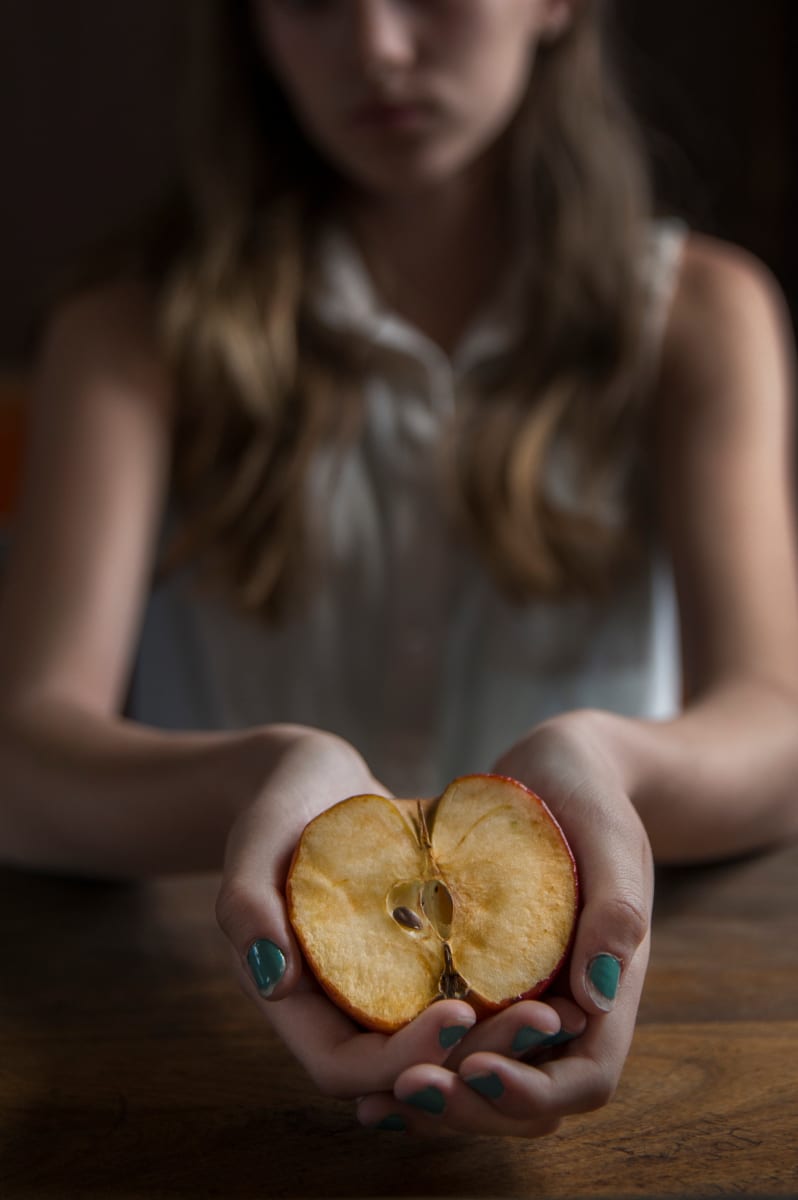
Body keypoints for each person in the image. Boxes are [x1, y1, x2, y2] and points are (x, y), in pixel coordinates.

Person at [1, 0, 797, 1138]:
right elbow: (23, 762)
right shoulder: (128, 333)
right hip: (214, 1059)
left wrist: (607, 759)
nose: (376, 46)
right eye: (314, 2)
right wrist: (259, 779)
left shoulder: (701, 316)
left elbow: (779, 724)